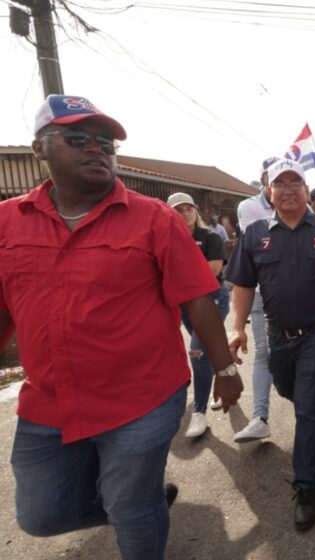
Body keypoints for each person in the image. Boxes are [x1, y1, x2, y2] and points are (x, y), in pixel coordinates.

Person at [1, 94, 242, 559]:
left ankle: (138, 510)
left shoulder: (154, 218)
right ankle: (144, 505)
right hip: (50, 402)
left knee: (131, 510)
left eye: (106, 143)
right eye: (78, 138)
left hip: (141, 400)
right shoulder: (8, 222)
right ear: (40, 148)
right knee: (39, 515)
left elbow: (198, 297)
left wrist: (226, 372)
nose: (97, 149)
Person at [227, 158, 315, 532]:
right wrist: (237, 327)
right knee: (288, 390)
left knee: (307, 408)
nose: (290, 189)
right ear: (270, 191)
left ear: (306, 188)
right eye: (281, 183)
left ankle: (307, 485)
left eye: (296, 182)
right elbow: (243, 285)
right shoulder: (255, 232)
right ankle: (312, 405)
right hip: (278, 335)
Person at [167, 192, 231, 438]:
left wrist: (175, 276)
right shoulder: (165, 239)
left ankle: (199, 412)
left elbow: (212, 270)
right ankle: (226, 377)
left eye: (188, 209)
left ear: (196, 211)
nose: (184, 214)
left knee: (197, 352)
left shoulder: (210, 237)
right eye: (178, 210)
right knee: (209, 349)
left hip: (211, 300)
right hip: (184, 303)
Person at [232, 156, 280, 443]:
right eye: (273, 178)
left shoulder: (301, 203)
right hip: (262, 295)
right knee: (264, 354)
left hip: (296, 296)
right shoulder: (249, 207)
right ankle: (260, 417)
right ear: (264, 180)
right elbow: (266, 243)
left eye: (289, 180)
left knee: (302, 357)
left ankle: (310, 407)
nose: (282, 186)